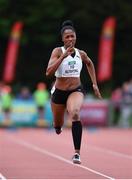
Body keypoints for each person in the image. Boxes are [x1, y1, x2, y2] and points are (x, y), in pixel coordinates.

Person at [46, 20, 102, 164]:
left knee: (75, 113)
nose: (70, 39)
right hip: (59, 92)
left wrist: (94, 84)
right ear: (63, 39)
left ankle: (77, 153)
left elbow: (90, 64)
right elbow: (48, 72)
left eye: (72, 36)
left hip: (75, 90)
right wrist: (62, 58)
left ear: (76, 37)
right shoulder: (57, 51)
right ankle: (57, 125)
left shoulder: (81, 54)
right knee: (58, 126)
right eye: (67, 37)